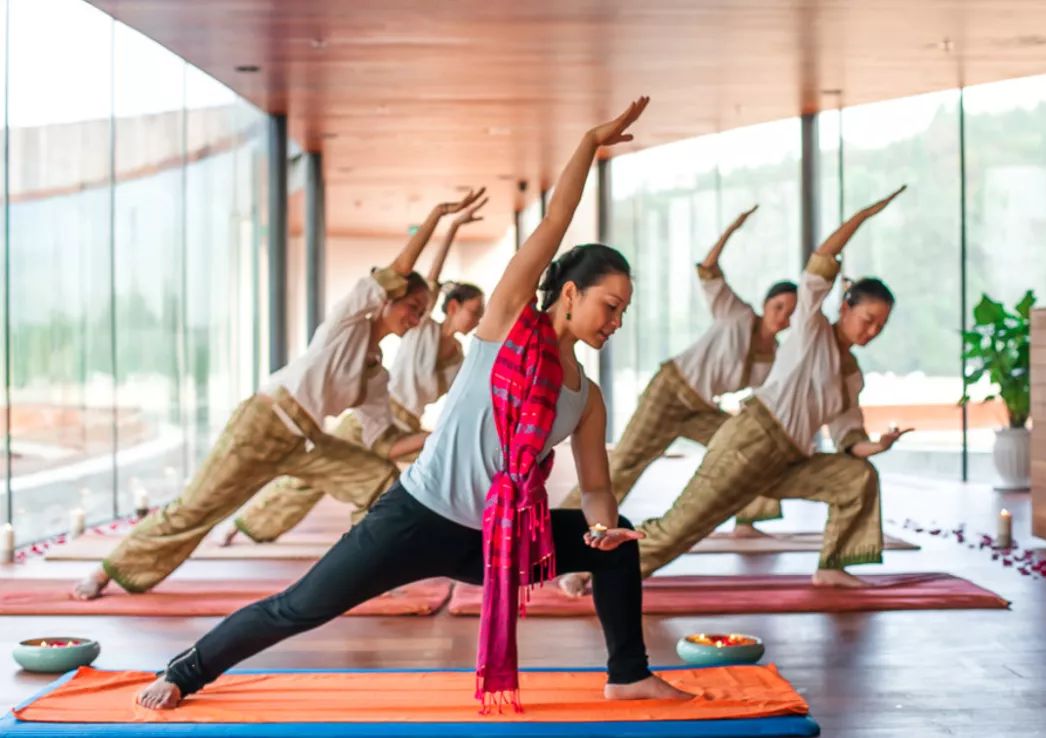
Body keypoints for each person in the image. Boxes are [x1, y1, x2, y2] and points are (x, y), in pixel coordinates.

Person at [136, 97, 689, 711]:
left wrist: (603, 530)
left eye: (624, 312)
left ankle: (628, 673)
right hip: (417, 517)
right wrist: (589, 141)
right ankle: (188, 669)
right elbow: (554, 221)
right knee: (302, 606)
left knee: (619, 549)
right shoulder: (505, 324)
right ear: (568, 292)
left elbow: (593, 489)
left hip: (499, 538)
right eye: (609, 305)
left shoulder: (586, 398)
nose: (616, 320)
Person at [72, 189, 486, 600]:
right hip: (263, 424)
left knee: (379, 480)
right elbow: (400, 270)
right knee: (195, 509)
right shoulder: (349, 322)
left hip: (307, 442)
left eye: (420, 311)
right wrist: (437, 217)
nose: (415, 318)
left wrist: (436, 438)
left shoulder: (376, 376)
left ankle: (361, 573)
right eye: (412, 307)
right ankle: (109, 570)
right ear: (387, 301)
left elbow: (385, 442)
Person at [629, 186, 912, 589]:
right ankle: (598, 568)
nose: (872, 330)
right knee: (684, 527)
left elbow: (848, 436)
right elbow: (820, 263)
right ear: (845, 307)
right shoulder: (810, 329)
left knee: (857, 476)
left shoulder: (853, 375)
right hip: (752, 441)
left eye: (880, 326)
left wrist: (879, 446)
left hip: (789, 462)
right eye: (867, 318)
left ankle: (832, 566)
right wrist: (863, 215)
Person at [221, 197, 489, 545]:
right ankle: (245, 527)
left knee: (438, 468)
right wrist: (448, 225)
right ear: (451, 308)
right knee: (309, 482)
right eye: (475, 311)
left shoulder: (458, 359)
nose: (478, 318)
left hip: (403, 427)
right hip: (373, 419)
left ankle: (430, 537)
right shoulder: (422, 327)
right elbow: (428, 279)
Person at [559, 205, 797, 551]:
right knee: (623, 465)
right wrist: (733, 226)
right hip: (671, 391)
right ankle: (564, 532)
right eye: (779, 307)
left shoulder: (774, 355)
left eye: (791, 312)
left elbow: (764, 399)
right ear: (766, 304)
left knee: (746, 450)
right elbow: (708, 268)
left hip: (701, 408)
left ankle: (748, 521)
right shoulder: (736, 314)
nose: (783, 316)